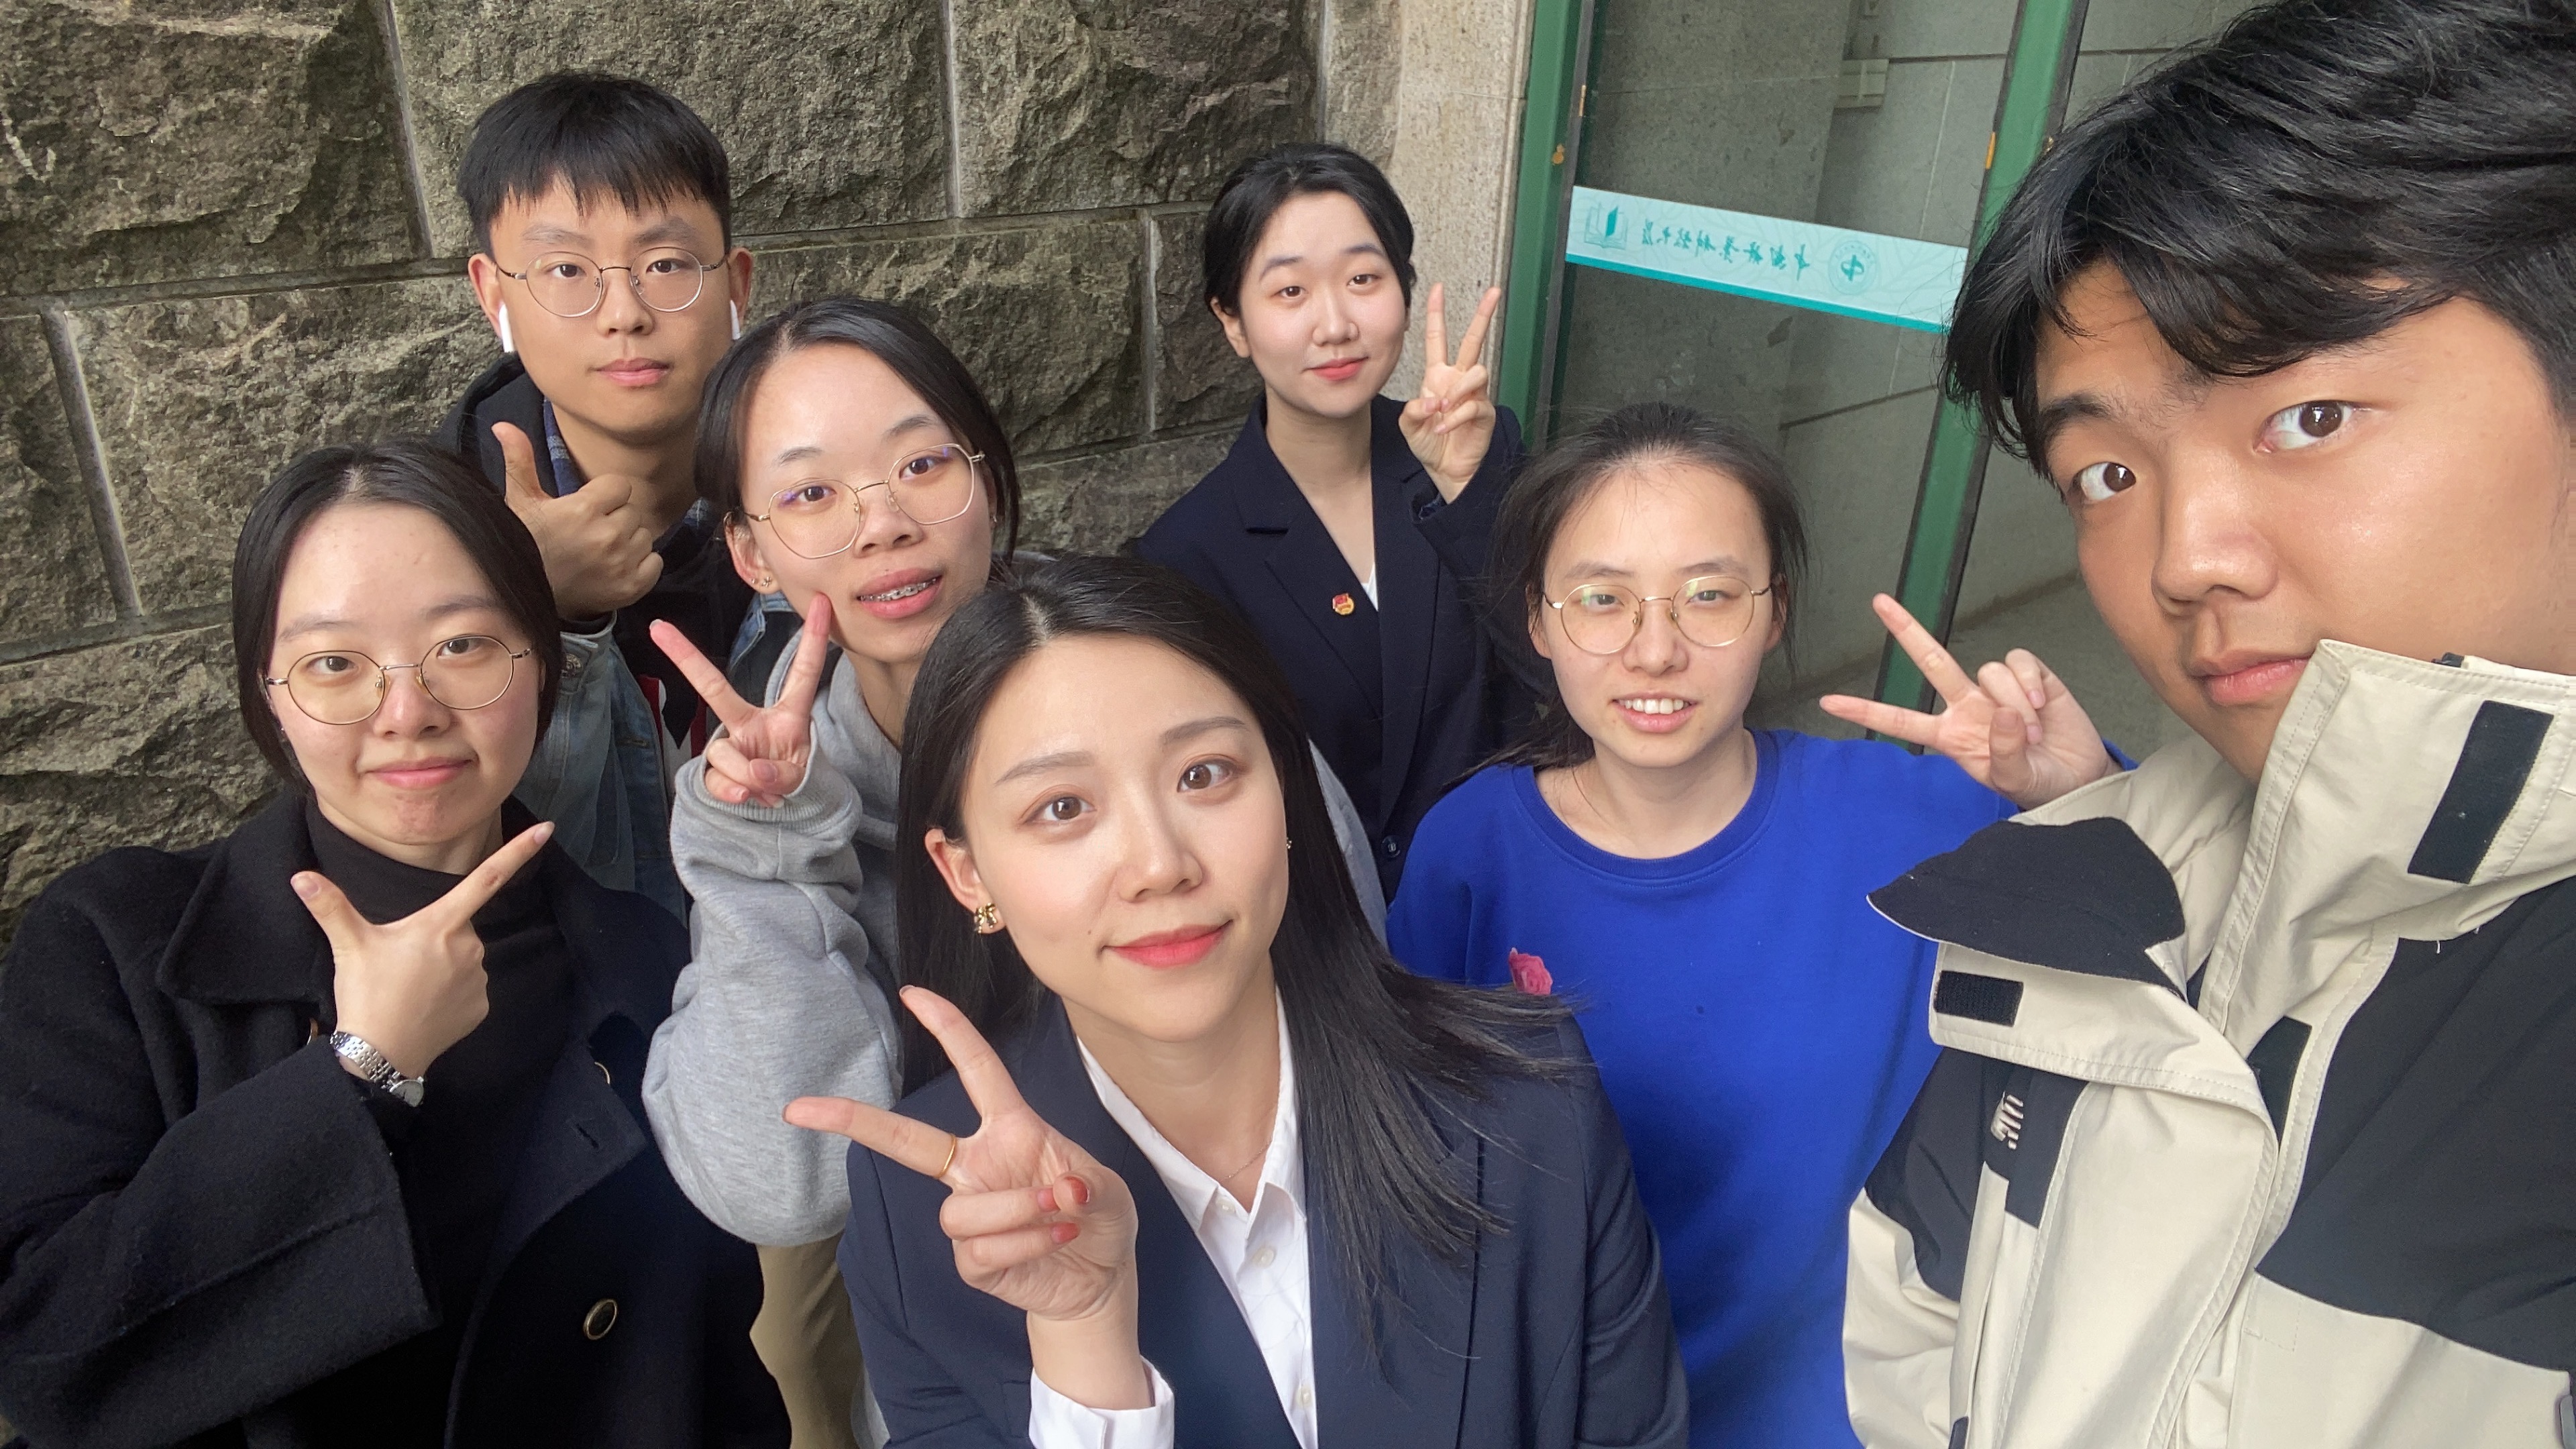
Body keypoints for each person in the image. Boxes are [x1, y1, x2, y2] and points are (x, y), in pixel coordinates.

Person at [1843, 1, 2576, 1445]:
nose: (2185, 559)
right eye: (2107, 475)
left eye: (2308, 418)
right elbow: (1918, 1306)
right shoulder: (2079, 911)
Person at [637, 299, 1384, 1444]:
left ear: (987, 480)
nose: (884, 524)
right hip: (976, 1297)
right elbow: (786, 1180)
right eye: (812, 493)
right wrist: (770, 847)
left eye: (922, 464)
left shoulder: (1165, 682)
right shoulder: (767, 794)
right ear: (749, 552)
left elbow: (1348, 994)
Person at [784, 555, 1688, 1448]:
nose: (1159, 863)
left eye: (1204, 774)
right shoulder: (932, 1220)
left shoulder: (1530, 1104)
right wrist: (1086, 1337)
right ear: (967, 874)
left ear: (1289, 794)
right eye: (1062, 808)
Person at [0, 439, 784, 1447]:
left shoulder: (645, 958)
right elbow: (47, 1353)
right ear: (270, 693)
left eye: (463, 646)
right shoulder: (115, 943)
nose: (408, 713)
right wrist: (361, 1072)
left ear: (541, 662)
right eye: (334, 664)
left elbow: (713, 1367)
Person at [1386, 402, 2114, 1448]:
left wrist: (2076, 791)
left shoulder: (1913, 820)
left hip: (1849, 1420)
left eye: (1710, 595)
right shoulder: (1470, 852)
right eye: (1602, 600)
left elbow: (2193, 917)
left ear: (1776, 614)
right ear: (1539, 623)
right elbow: (1415, 1159)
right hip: (1565, 1415)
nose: (1655, 650)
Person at [1136, 142, 1529, 898]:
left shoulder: (1484, 453)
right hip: (1332, 932)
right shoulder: (1186, 556)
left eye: (1363, 279)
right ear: (1232, 321)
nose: (1336, 324)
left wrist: (1467, 498)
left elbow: (1560, 676)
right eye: (1290, 291)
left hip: (1505, 902)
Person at [438, 71, 759, 920]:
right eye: (565, 269)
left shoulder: (828, 496)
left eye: (665, 264)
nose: (623, 312)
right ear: (494, 294)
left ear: (736, 284)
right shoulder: (423, 544)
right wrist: (528, 605)